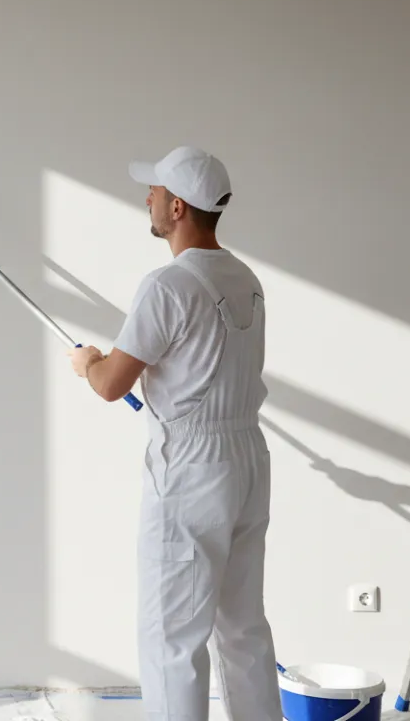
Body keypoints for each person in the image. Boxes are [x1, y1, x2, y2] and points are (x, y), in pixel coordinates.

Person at [68, 145, 283, 720]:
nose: (149, 199)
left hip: (192, 469)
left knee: (172, 636)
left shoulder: (167, 285)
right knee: (242, 626)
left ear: (179, 206)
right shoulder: (246, 278)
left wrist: (87, 361)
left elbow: (114, 384)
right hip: (247, 459)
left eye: (157, 193)